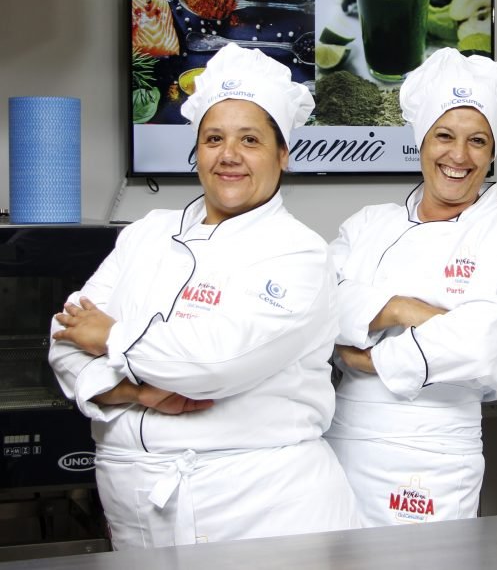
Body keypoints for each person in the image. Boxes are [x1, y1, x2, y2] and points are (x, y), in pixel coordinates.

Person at [48, 43, 358, 548]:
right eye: (214, 138)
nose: (228, 155)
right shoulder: (147, 233)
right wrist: (131, 391)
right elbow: (64, 336)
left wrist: (110, 335)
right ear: (197, 150)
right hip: (136, 513)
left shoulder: (298, 252)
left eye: (250, 140)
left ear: (283, 154)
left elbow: (212, 362)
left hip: (261, 513)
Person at [325, 48, 497, 526]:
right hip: (342, 441)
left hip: (434, 455)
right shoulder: (367, 225)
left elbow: (483, 346)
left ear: (491, 152)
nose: (458, 156)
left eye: (477, 141)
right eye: (444, 136)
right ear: (422, 141)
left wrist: (370, 355)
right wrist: (403, 309)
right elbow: (320, 311)